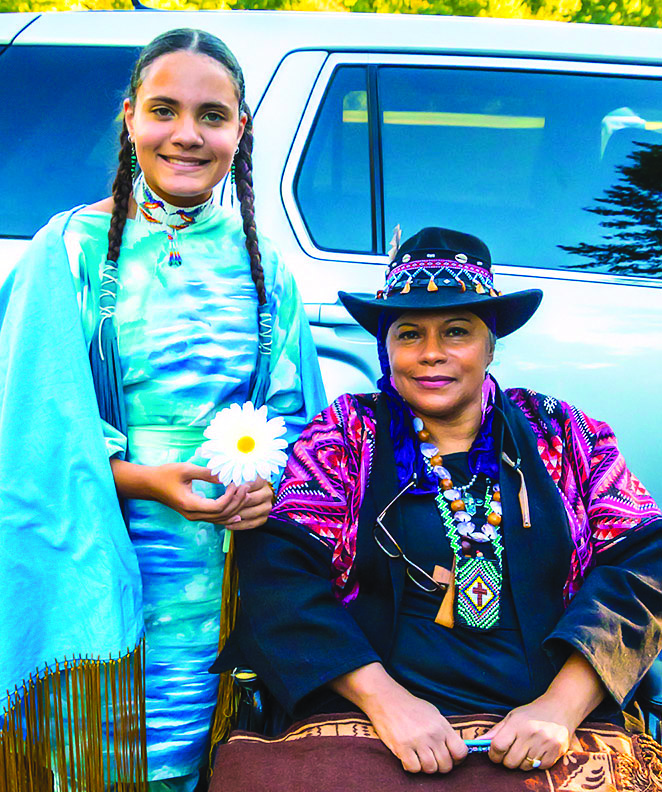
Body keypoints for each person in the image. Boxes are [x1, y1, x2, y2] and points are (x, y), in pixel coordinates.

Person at [212, 227, 662, 791]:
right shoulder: (345, 436)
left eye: (457, 331)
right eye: (409, 334)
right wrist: (388, 703)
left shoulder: (564, 433)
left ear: (491, 344)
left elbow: (648, 563)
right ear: (387, 347)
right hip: (373, 725)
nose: (431, 354)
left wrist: (561, 707)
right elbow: (279, 571)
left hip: (545, 727)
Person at [0, 28, 325, 792]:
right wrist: (148, 481)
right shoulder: (72, 250)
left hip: (221, 577)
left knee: (196, 758)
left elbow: (298, 417)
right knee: (95, 760)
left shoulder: (261, 262)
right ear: (129, 117)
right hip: (100, 555)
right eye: (164, 110)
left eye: (212, 116)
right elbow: (31, 427)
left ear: (240, 129)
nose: (187, 134)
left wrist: (268, 487)